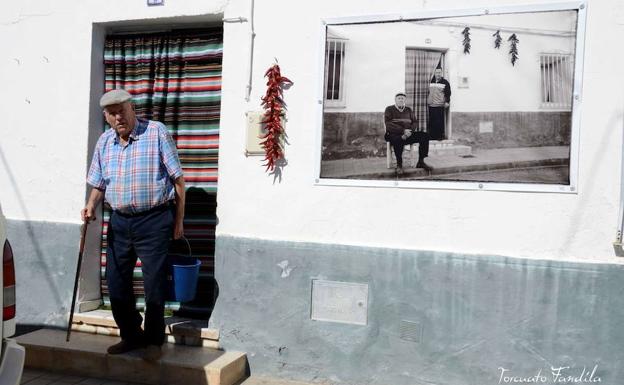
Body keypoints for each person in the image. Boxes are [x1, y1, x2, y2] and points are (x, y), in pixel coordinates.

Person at [81, 89, 185, 361]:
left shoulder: (156, 132)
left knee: (154, 283)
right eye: (112, 113)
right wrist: (91, 205)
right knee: (115, 282)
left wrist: (179, 222)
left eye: (122, 111)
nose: (118, 117)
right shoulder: (104, 142)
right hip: (119, 221)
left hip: (154, 219)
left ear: (132, 109)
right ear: (106, 117)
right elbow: (99, 183)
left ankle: (153, 340)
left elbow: (178, 181)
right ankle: (130, 335)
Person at [384, 92, 431, 174]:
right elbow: (388, 124)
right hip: (394, 134)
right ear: (395, 100)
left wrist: (410, 131)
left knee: (425, 136)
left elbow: (415, 122)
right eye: (399, 98)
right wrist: (403, 131)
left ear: (405, 100)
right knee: (398, 139)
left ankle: (421, 162)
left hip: (408, 134)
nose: (401, 100)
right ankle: (399, 164)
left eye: (402, 98)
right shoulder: (389, 109)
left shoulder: (408, 110)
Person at [427, 68, 451, 140]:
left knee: (439, 121)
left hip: (440, 105)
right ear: (434, 73)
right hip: (431, 104)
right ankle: (432, 136)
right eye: (437, 72)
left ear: (442, 73)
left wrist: (447, 102)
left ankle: (440, 136)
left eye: (439, 72)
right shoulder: (431, 81)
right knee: (431, 121)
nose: (438, 74)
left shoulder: (445, 82)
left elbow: (448, 93)